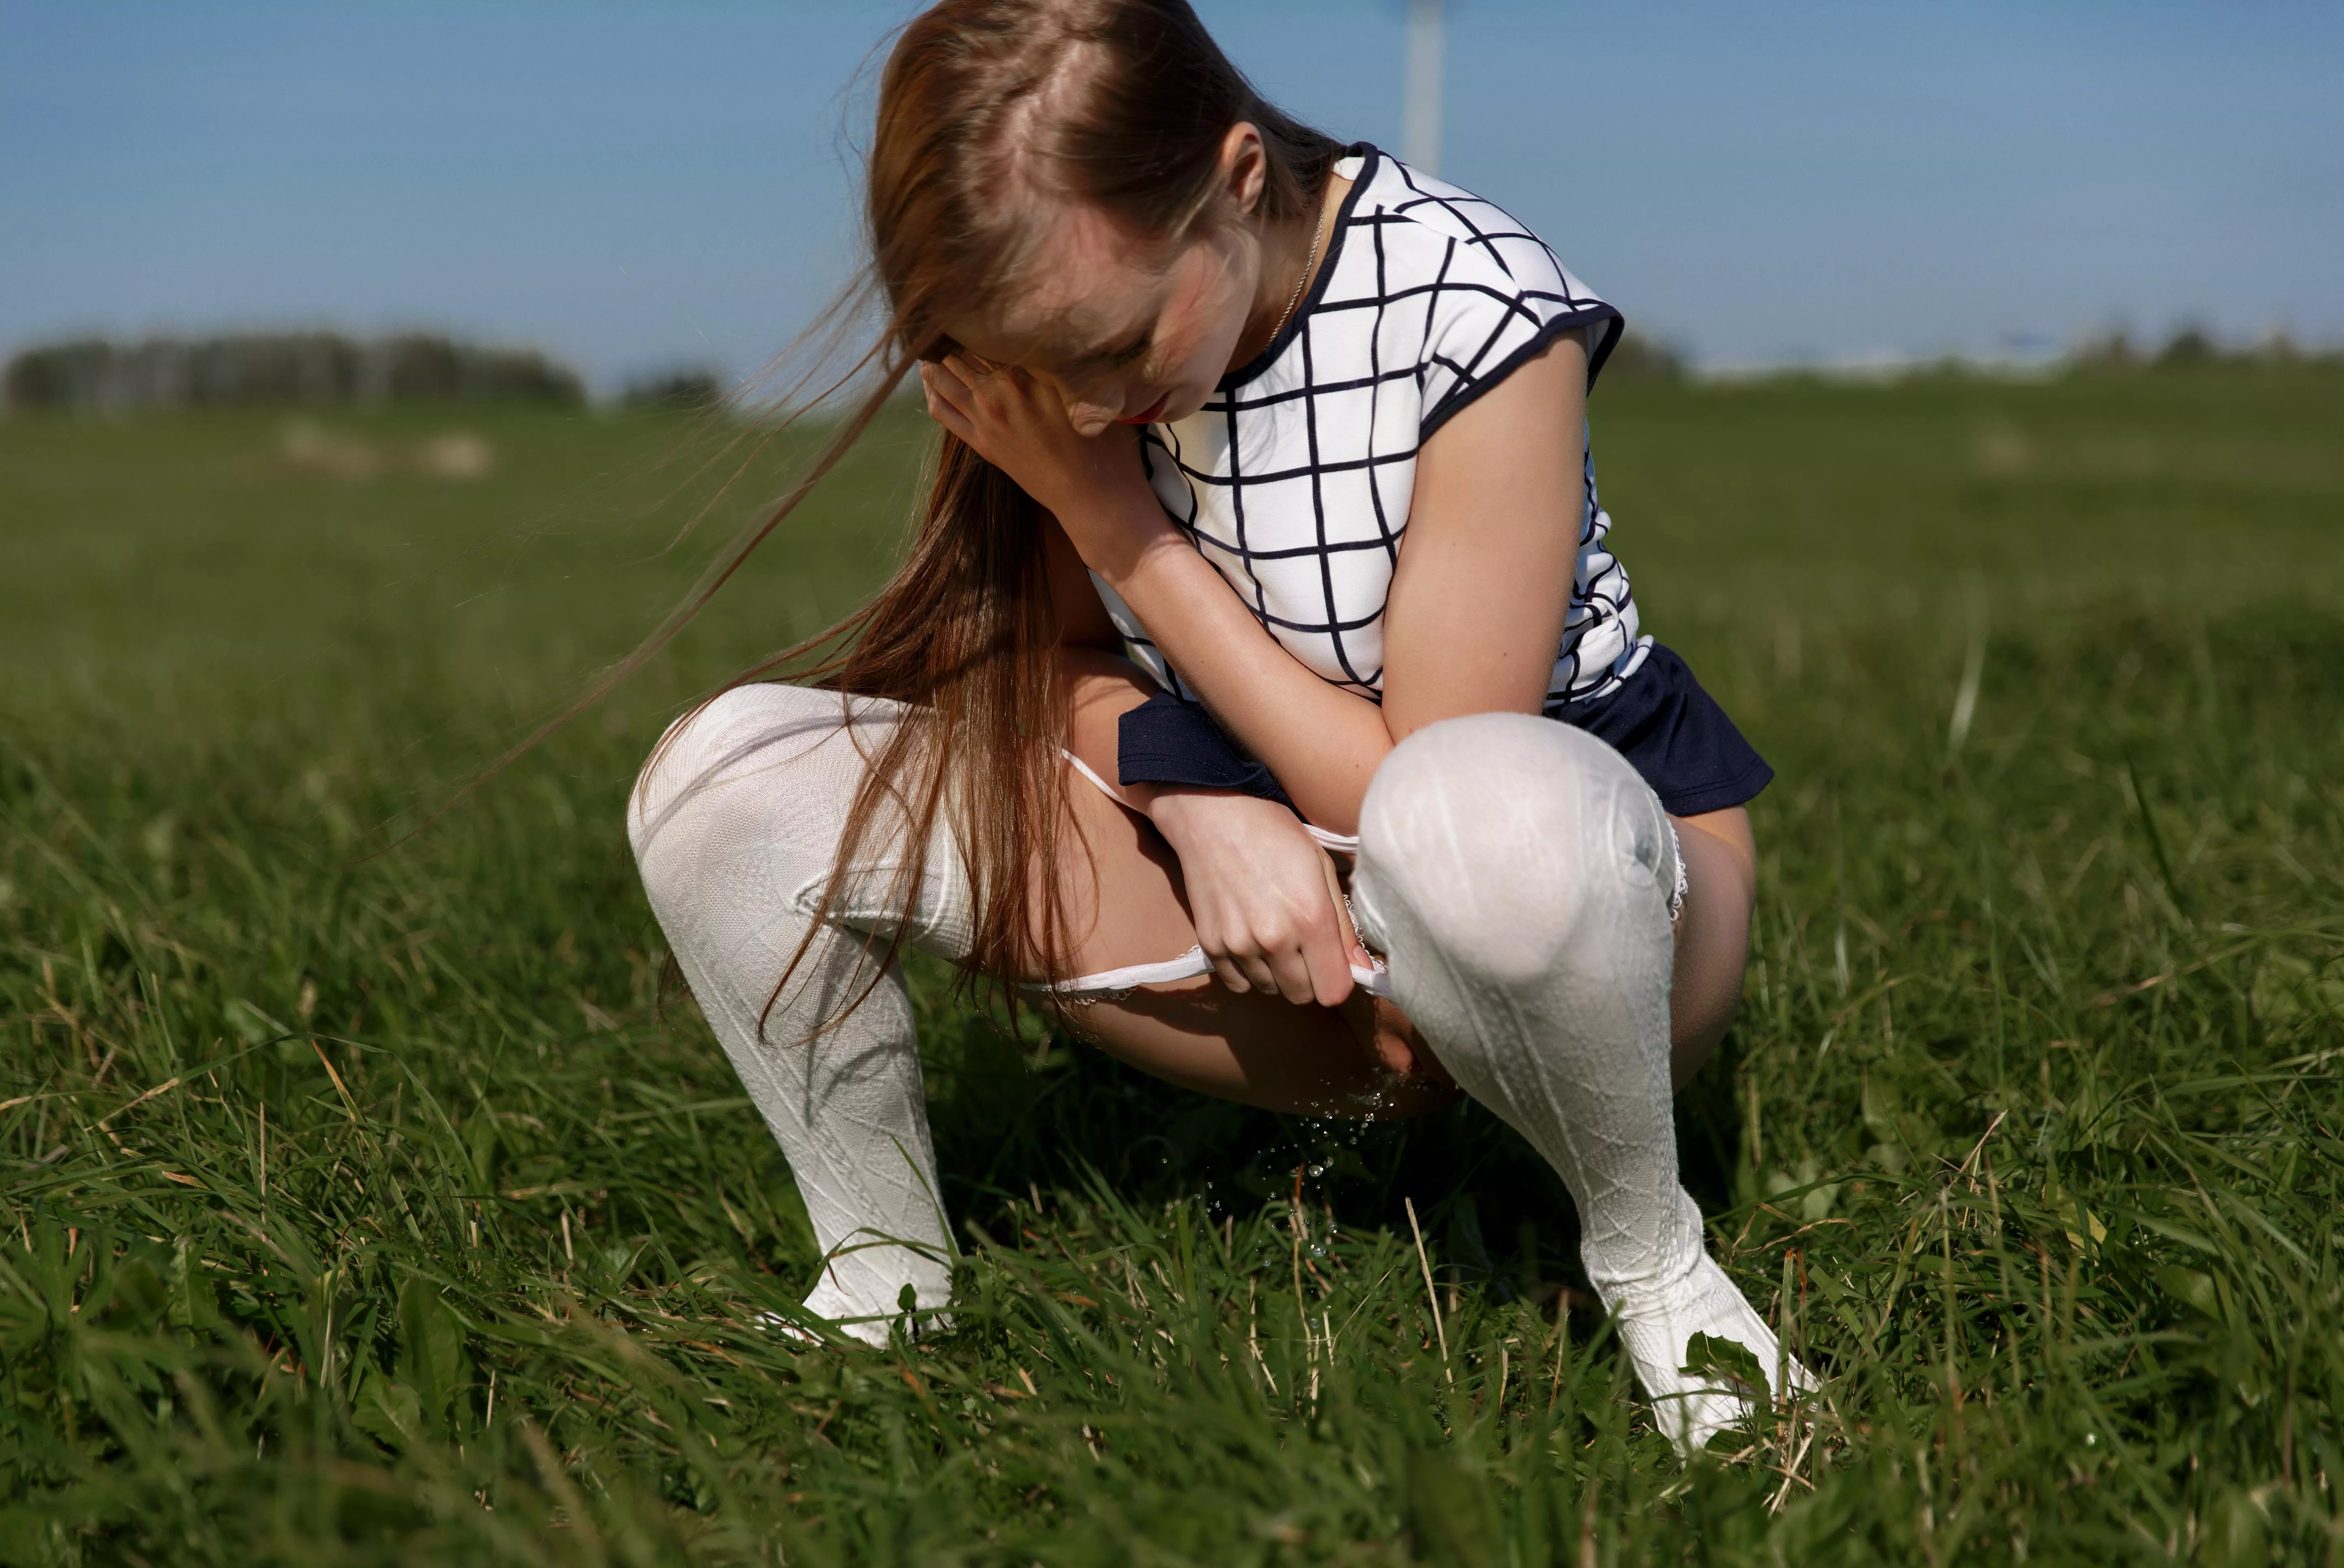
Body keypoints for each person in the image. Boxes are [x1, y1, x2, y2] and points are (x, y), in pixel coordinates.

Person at [625, 0, 1808, 1451]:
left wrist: (1125, 537)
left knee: (1476, 821)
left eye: (1117, 346)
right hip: (1293, 940)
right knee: (721, 784)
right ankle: (886, 1273)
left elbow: (1410, 794)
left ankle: (1651, 1258)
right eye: (1040, 368)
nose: (1085, 405)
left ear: (1238, 177)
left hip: (1571, 918)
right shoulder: (1071, 355)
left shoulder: (1480, 307)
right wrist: (1198, 798)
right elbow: (1042, 666)